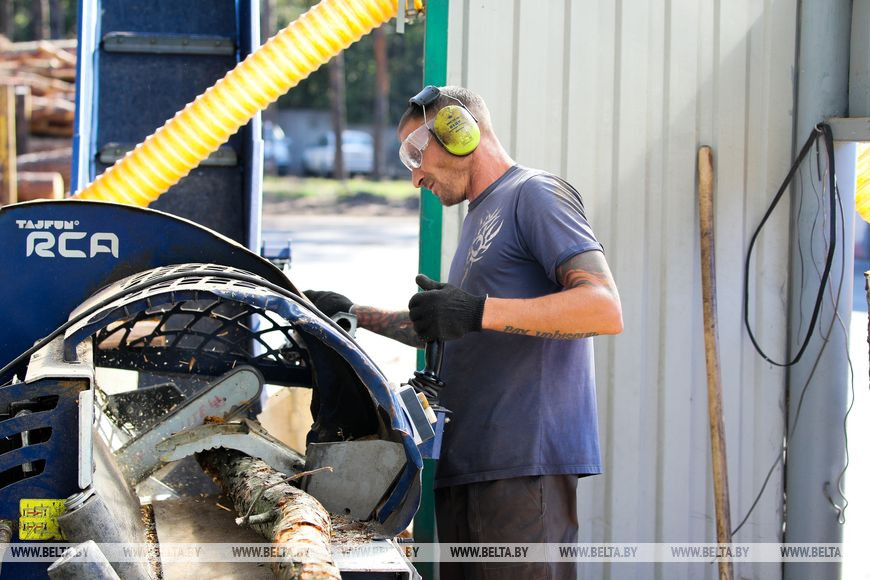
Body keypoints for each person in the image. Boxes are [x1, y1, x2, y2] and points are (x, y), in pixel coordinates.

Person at [305, 85, 623, 580]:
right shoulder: (481, 216)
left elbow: (603, 307)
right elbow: (455, 325)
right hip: (468, 464)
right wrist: (354, 313)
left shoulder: (534, 194)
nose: (414, 176)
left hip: (521, 465)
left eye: (416, 152)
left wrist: (476, 310)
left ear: (460, 131)